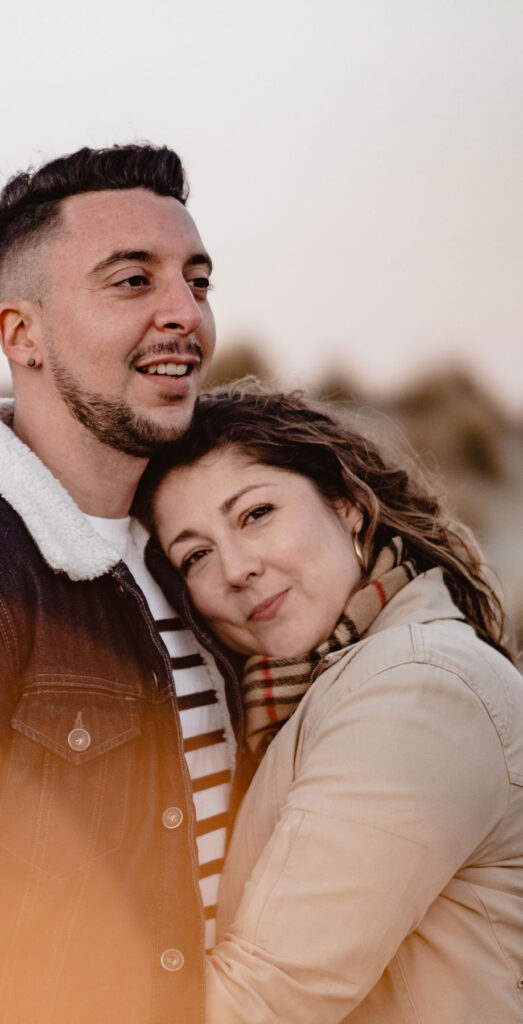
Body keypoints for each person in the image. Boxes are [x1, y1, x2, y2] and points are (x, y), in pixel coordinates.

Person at [0, 145, 246, 1024]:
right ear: (21, 333)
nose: (184, 314)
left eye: (197, 281)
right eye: (132, 282)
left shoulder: (192, 559)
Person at [137, 381, 523, 1024]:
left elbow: (264, 996)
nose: (235, 568)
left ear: (347, 506)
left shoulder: (416, 690)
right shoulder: (310, 696)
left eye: (256, 514)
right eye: (196, 554)